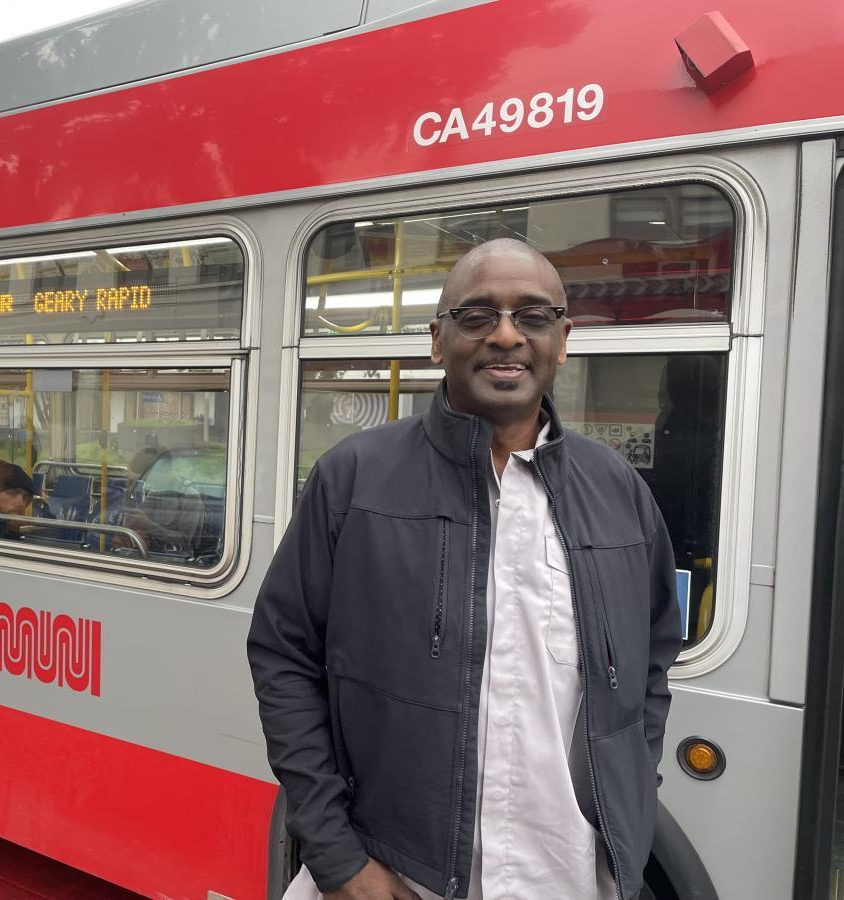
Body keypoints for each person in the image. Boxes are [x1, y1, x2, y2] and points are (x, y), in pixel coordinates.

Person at [247, 239, 681, 900]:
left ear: (561, 341)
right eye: (477, 316)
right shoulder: (355, 478)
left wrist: (633, 795)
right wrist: (337, 858)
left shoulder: (617, 490)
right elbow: (284, 656)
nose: (506, 335)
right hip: (398, 877)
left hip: (570, 878)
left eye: (532, 317)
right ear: (436, 340)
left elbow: (652, 660)